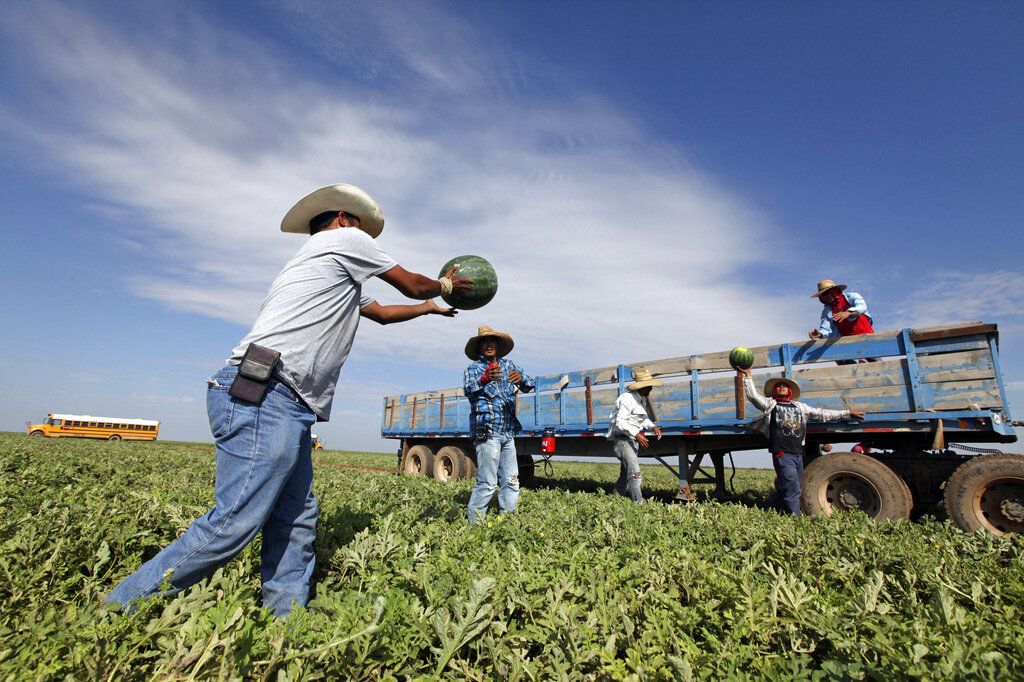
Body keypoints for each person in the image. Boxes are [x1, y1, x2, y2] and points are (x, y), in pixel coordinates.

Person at [105, 183, 471, 617]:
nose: (367, 238)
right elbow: (410, 284)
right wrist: (447, 284)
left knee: (297, 517)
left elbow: (385, 312)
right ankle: (115, 610)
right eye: (362, 228)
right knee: (231, 524)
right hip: (266, 392)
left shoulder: (327, 270)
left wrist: (429, 308)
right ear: (343, 219)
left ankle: (285, 620)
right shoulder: (344, 242)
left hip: (282, 399)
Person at [737, 367, 865, 515]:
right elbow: (753, 396)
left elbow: (823, 414)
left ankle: (770, 512)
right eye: (778, 386)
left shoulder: (800, 407)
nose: (781, 387)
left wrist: (847, 414)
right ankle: (796, 518)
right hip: (782, 453)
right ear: (774, 391)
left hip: (797, 453)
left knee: (790, 486)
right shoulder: (771, 405)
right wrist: (748, 376)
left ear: (790, 391)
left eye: (785, 386)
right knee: (793, 488)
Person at [464, 326, 535, 524]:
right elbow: (469, 389)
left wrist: (522, 379)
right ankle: (475, 526)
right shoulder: (474, 369)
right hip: (487, 430)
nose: (488, 345)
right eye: (484, 342)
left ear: (497, 345)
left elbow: (530, 384)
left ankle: (507, 521)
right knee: (487, 482)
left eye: (492, 341)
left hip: (507, 431)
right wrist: (485, 378)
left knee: (512, 480)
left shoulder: (509, 365)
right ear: (479, 348)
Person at [605, 367, 664, 502]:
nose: (651, 389)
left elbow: (642, 419)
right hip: (623, 441)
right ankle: (638, 505)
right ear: (642, 387)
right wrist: (637, 434)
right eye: (649, 386)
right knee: (635, 474)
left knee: (625, 474)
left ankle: (616, 499)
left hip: (631, 441)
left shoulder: (641, 399)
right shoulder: (627, 399)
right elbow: (621, 423)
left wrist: (653, 426)